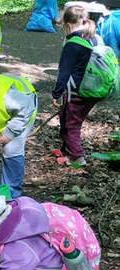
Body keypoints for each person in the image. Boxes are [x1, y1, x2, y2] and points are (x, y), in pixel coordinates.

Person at [52, 6, 102, 167]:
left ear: (67, 24)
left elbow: (64, 72)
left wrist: (56, 94)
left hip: (77, 90)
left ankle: (77, 158)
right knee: (67, 117)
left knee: (72, 123)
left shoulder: (73, 43)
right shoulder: (94, 38)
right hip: (94, 88)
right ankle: (66, 149)